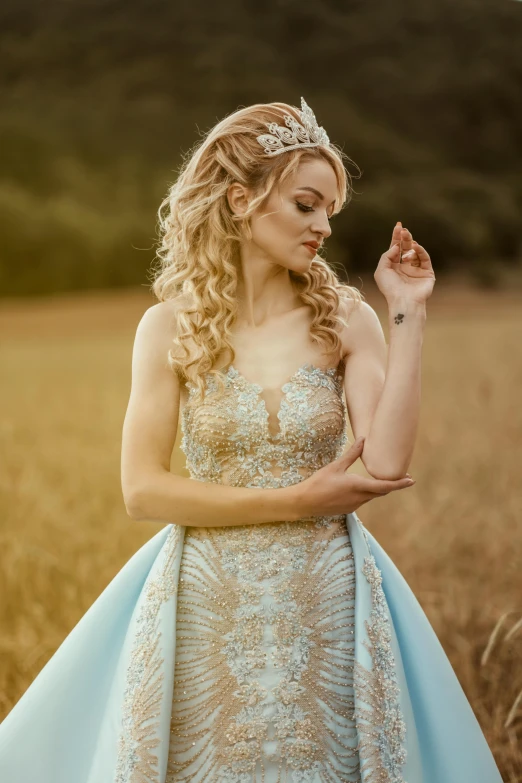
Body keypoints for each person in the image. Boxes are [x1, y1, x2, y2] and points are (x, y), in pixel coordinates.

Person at [0, 98, 503, 783]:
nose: (325, 226)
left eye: (330, 209)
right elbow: (141, 488)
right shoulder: (168, 327)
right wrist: (298, 501)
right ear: (241, 199)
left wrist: (408, 311)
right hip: (205, 604)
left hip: (325, 601)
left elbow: (384, 462)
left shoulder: (349, 320)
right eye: (306, 204)